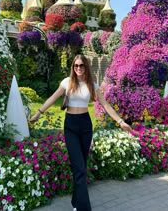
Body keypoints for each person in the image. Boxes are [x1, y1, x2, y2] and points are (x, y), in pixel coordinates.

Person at [30, 54, 132, 211]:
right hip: (70, 125)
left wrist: (120, 122)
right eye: (75, 66)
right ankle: (84, 208)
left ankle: (76, 202)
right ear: (73, 67)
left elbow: (106, 105)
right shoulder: (67, 82)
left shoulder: (92, 85)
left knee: (81, 167)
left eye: (81, 65)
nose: (78, 68)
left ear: (86, 67)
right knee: (78, 167)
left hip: (85, 125)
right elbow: (52, 98)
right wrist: (39, 113)